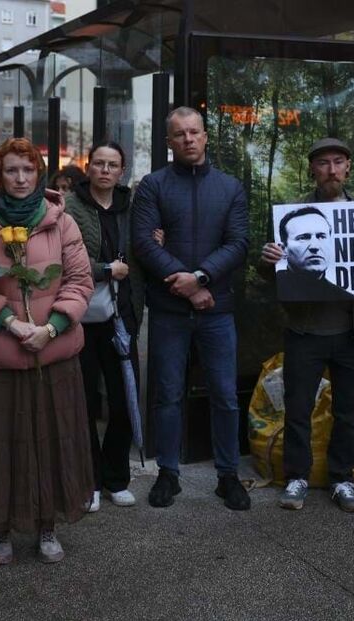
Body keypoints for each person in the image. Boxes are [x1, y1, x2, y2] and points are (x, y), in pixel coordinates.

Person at [0, 137, 94, 564]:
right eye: (11, 170)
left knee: (53, 440)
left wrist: (50, 328)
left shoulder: (60, 220)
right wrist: (10, 322)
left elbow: (79, 279)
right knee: (1, 444)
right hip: (1, 352)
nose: (20, 178)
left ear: (39, 174)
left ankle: (46, 524)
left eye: (28, 170)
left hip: (53, 354)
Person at [131, 106, 251, 511]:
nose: (188, 139)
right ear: (169, 142)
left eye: (194, 132)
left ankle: (228, 475)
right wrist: (188, 287)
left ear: (205, 136)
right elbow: (145, 244)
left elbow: (238, 244)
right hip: (168, 311)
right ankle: (168, 474)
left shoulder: (230, 187)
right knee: (166, 394)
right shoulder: (153, 186)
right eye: (179, 134)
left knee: (224, 394)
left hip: (217, 309)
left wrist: (199, 279)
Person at [260, 138, 354, 512]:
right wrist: (269, 261)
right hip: (305, 332)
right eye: (323, 163)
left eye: (338, 162)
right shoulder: (293, 215)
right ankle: (297, 476)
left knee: (349, 410)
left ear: (348, 167)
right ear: (312, 169)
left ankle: (342, 478)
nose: (331, 170)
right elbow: (273, 276)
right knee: (298, 409)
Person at [64, 141, 144, 512]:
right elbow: (63, 262)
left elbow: (145, 250)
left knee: (124, 398)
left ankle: (116, 478)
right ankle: (90, 480)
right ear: (89, 166)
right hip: (83, 314)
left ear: (122, 170)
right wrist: (105, 270)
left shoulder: (134, 207)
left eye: (113, 164)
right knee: (84, 401)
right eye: (99, 164)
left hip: (122, 314)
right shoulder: (70, 208)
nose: (106, 170)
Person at [274, 206, 354, 302]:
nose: (315, 246)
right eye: (303, 238)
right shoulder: (270, 288)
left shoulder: (348, 299)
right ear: (283, 249)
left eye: (321, 236)